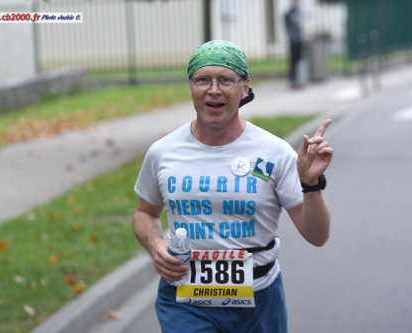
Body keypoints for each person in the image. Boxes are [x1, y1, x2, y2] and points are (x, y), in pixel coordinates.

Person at [133, 40, 333, 332]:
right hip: (184, 300)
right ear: (191, 86)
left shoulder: (274, 153)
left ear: (245, 87)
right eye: (203, 79)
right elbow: (145, 213)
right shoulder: (163, 152)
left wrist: (311, 184)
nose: (214, 90)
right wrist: (155, 245)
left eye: (226, 80)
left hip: (259, 298)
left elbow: (317, 236)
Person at [284, 0, 303, 89]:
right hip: (293, 41)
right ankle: (293, 81)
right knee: (294, 62)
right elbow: (289, 29)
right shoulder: (289, 14)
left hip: (299, 41)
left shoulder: (298, 13)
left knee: (299, 61)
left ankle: (300, 79)